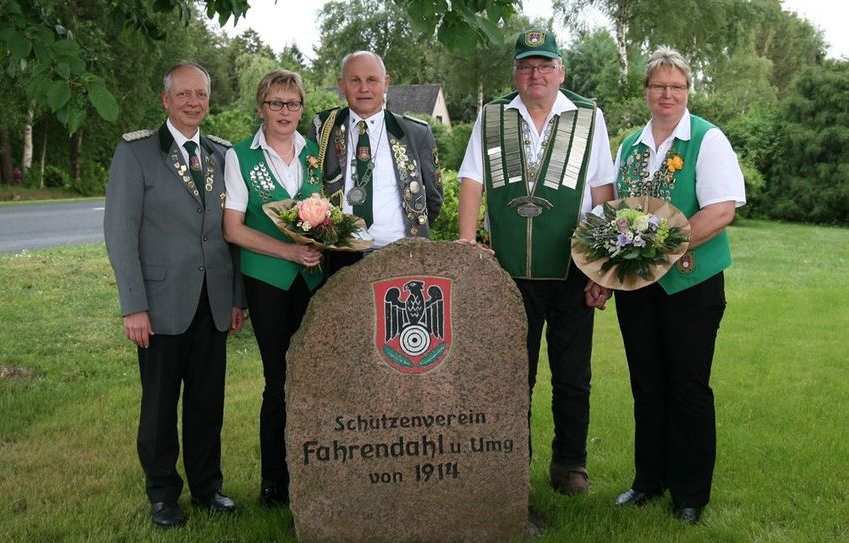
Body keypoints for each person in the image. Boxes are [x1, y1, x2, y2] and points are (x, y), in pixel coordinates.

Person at [457, 29, 615, 495]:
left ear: (561, 71)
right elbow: (471, 179)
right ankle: (511, 464)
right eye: (527, 66)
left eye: (545, 65)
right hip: (508, 272)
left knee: (573, 376)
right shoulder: (492, 115)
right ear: (515, 73)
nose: (536, 75)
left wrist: (603, 268)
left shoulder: (589, 115)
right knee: (510, 376)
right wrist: (467, 242)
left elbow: (603, 192)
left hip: (573, 269)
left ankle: (570, 464)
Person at [104, 62, 245, 528]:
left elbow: (233, 230)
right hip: (160, 304)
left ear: (209, 99)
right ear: (166, 99)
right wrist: (133, 306)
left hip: (213, 300)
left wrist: (237, 297)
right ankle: (163, 494)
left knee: (207, 403)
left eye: (200, 94)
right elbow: (120, 234)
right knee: (160, 406)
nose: (192, 102)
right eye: (183, 94)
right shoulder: (137, 153)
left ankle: (207, 487)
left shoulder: (223, 155)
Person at [611, 46, 745, 524]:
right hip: (637, 285)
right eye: (658, 86)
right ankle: (649, 480)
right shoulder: (630, 145)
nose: (667, 94)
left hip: (691, 284)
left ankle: (690, 494)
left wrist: (662, 244)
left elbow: (722, 210)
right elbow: (616, 212)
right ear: (646, 91)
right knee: (646, 385)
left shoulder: (707, 139)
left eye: (677, 86)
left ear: (687, 91)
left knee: (687, 387)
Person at [222, 69, 324, 508]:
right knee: (278, 378)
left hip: (313, 280)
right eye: (276, 103)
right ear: (261, 107)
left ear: (301, 108)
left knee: (314, 376)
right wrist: (288, 252)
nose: (285, 111)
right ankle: (274, 479)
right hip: (267, 280)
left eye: (293, 103)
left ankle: (315, 468)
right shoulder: (239, 156)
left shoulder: (316, 153)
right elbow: (233, 229)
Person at [308, 51, 443, 274]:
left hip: (400, 255)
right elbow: (310, 186)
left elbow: (433, 199)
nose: (364, 88)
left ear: (386, 83)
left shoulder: (415, 133)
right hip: (338, 257)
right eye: (355, 80)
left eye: (372, 80)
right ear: (341, 84)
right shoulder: (323, 128)